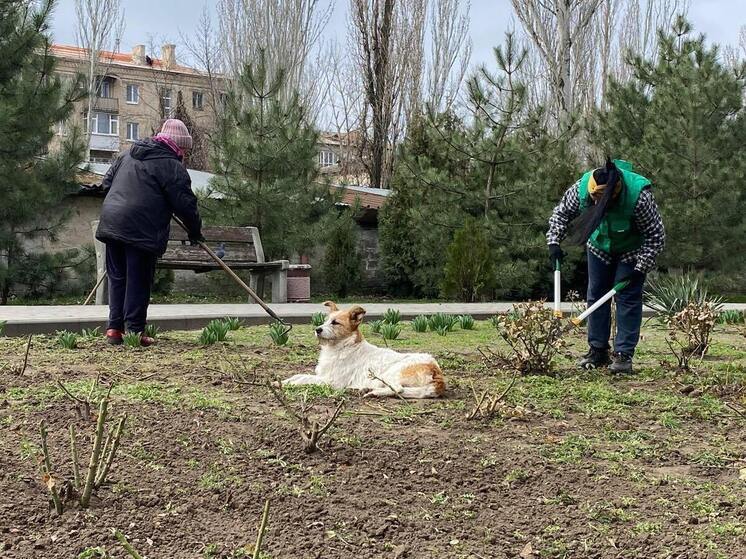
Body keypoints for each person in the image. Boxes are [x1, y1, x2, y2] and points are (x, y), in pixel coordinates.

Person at [547, 158, 665, 373]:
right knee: (596, 295)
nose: (595, 203)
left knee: (627, 298)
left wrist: (640, 268)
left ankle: (623, 355)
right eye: (593, 199)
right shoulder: (583, 188)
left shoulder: (638, 197)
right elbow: (561, 213)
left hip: (631, 251)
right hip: (599, 246)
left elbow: (655, 236)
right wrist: (554, 241)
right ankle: (597, 350)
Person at [95, 119, 203, 346]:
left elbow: (106, 184)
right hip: (141, 228)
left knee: (118, 278)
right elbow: (186, 204)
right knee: (138, 280)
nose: (183, 153)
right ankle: (134, 331)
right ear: (177, 145)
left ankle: (114, 330)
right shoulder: (172, 165)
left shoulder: (127, 154)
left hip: (112, 222)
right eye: (183, 148)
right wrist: (195, 231)